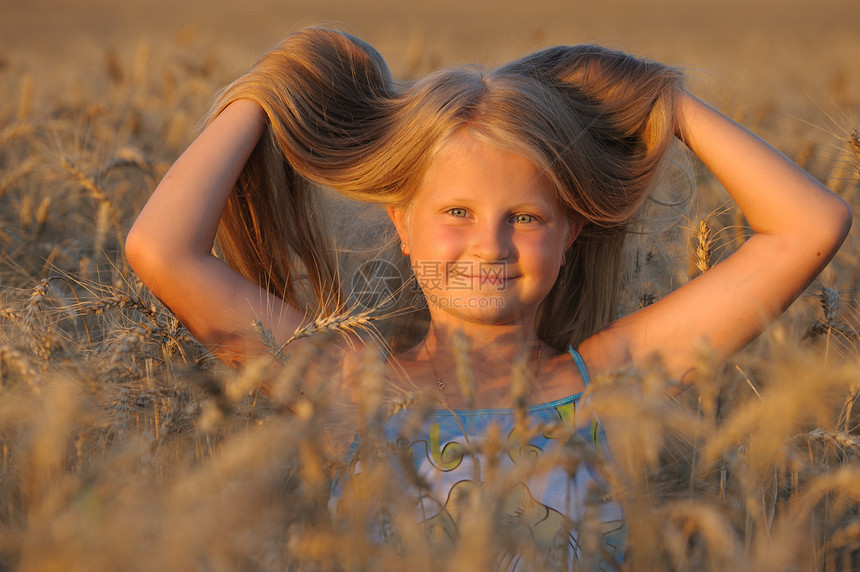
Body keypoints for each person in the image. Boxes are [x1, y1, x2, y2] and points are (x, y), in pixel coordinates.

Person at [125, 27, 852, 567]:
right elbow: (162, 251)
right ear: (402, 224)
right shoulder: (346, 386)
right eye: (457, 213)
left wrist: (665, 101)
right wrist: (268, 92)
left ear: (571, 234)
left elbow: (808, 226)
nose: (490, 246)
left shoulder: (612, 381)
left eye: (527, 218)